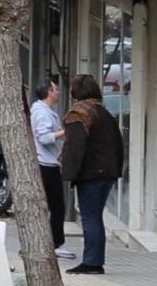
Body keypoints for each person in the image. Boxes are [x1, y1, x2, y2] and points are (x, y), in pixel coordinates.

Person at [60, 74, 124, 275]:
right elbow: (119, 144)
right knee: (94, 217)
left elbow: (75, 146)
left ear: (75, 92)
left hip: (91, 174)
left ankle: (92, 262)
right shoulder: (104, 113)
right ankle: (94, 260)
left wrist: (68, 172)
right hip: (106, 173)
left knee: (90, 218)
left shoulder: (79, 113)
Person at [31, 77, 73, 260]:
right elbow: (45, 137)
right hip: (46, 165)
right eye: (56, 90)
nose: (58, 92)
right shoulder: (42, 113)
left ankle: (54, 242)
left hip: (49, 162)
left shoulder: (45, 111)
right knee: (57, 206)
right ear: (49, 92)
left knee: (55, 206)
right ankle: (56, 244)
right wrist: (65, 133)